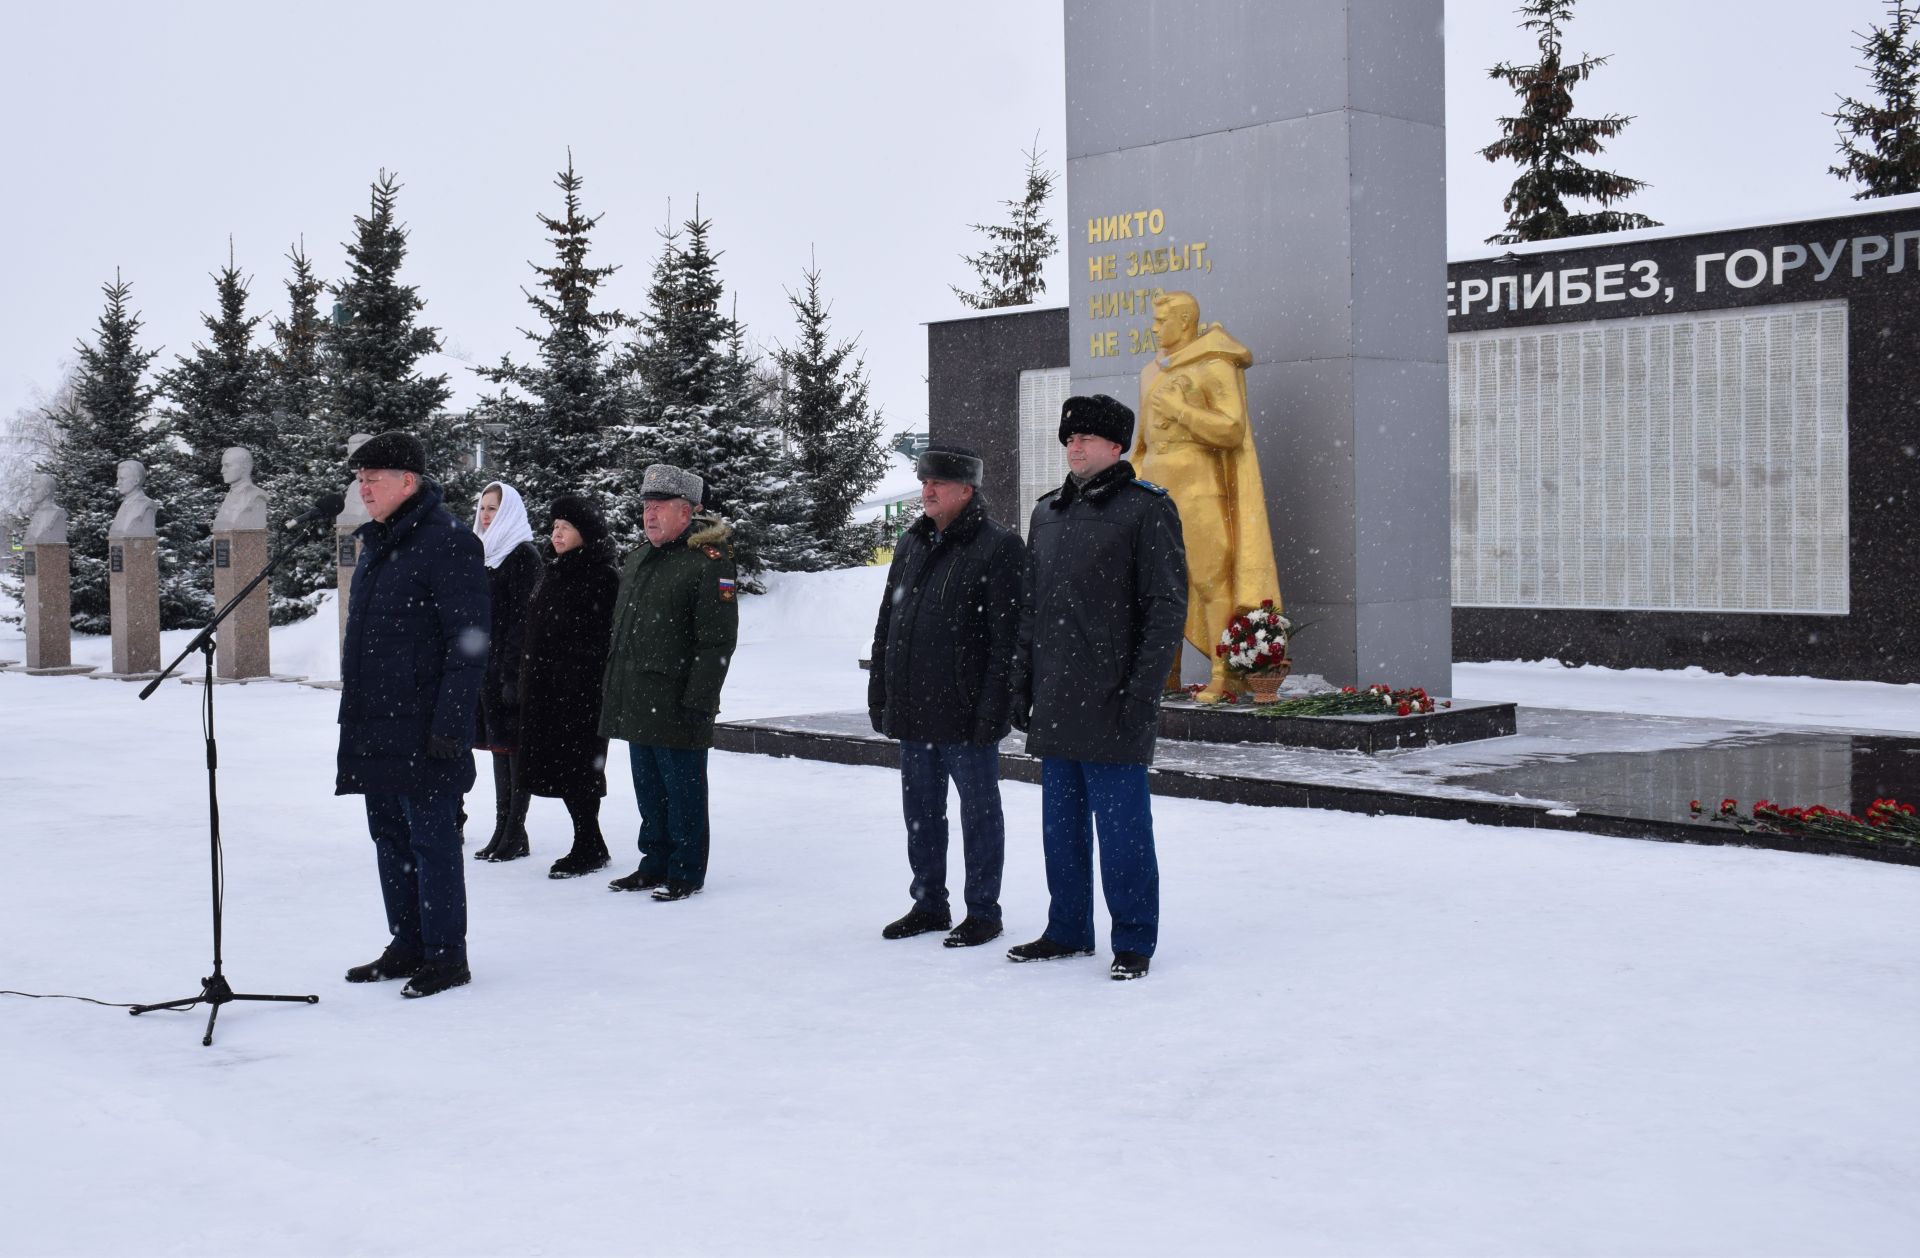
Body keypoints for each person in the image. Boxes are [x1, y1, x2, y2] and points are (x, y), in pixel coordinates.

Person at [1009, 395, 1187, 981]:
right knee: (1059, 830)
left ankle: (1133, 939)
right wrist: (1022, 682)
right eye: (1069, 438)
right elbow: (1030, 608)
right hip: (1057, 697)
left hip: (1114, 699)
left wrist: (1141, 692)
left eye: (1086, 438)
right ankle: (1067, 929)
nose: (1075, 447)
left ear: (1117, 446)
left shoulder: (1146, 510)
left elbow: (1165, 609)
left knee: (1123, 832)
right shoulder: (1047, 513)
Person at [335, 431, 489, 999]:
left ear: (409, 482)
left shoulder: (448, 542)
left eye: (374, 477)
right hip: (376, 719)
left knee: (433, 840)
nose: (364, 487)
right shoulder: (378, 541)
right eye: (359, 477)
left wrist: (451, 724)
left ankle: (447, 955)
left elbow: (468, 643)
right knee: (390, 838)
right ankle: (407, 943)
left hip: (425, 724)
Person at [867, 444, 1024, 948]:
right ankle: (929, 902)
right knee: (921, 813)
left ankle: (983, 910)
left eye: (938, 483)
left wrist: (993, 710)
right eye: (924, 481)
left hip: (965, 712)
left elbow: (1008, 641)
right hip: (914, 707)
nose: (927, 490)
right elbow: (888, 623)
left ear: (967, 490)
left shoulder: (999, 547)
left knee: (979, 815)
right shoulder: (912, 543)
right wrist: (880, 690)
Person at [600, 464, 738, 902]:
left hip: (678, 701)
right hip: (638, 698)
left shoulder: (709, 564)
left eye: (660, 507)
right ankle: (653, 861)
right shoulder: (640, 558)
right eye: (646, 506)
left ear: (687, 512)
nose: (649, 514)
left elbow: (716, 642)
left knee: (683, 793)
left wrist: (698, 701)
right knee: (649, 789)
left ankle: (685, 869)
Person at [517, 494, 622, 879]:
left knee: (580, 767)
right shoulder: (555, 569)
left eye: (565, 528)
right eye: (554, 527)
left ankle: (589, 843)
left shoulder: (601, 574)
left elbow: (603, 636)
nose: (556, 534)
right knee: (560, 766)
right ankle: (588, 840)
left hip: (581, 689)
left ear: (585, 533)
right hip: (548, 686)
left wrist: (581, 676)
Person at [469, 481, 544, 863]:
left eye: (493, 509)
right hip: (486, 668)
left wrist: (513, 674)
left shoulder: (522, 555)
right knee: (499, 748)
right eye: (482, 508)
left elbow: (522, 622)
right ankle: (506, 827)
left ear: (509, 511)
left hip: (511, 669)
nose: (485, 515)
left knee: (515, 750)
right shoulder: (482, 552)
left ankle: (514, 829)